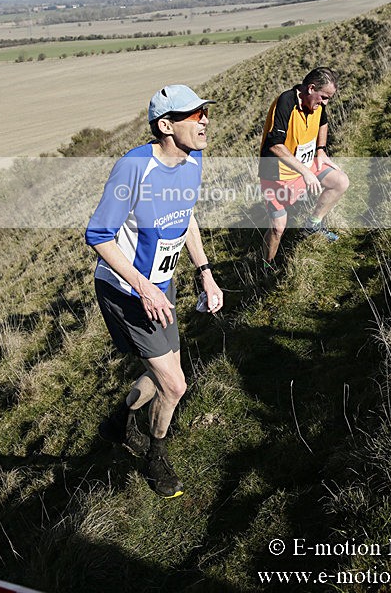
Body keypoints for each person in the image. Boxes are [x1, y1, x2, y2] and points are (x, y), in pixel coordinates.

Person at [85, 84, 223, 498]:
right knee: (175, 385)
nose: (204, 120)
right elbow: (98, 235)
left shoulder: (193, 158)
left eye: (204, 112)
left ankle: (118, 421)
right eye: (194, 115)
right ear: (165, 125)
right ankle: (154, 457)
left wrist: (205, 272)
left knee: (164, 372)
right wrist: (143, 287)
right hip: (128, 292)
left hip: (162, 285)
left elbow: (186, 216)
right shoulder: (134, 167)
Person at [258, 66, 349, 262]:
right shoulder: (286, 102)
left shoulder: (316, 104)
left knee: (340, 181)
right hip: (277, 173)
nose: (325, 103)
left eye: (328, 99)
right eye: (323, 97)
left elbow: (323, 122)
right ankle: (266, 265)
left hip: (306, 165)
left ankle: (313, 224)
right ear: (311, 88)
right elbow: (274, 145)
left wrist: (321, 150)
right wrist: (305, 172)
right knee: (277, 228)